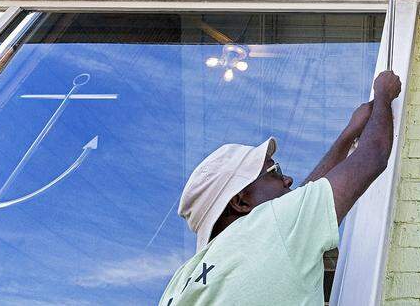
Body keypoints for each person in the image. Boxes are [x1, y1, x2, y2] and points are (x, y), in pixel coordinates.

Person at [159, 70, 402, 305]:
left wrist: (348, 135)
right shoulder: (270, 227)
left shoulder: (180, 282)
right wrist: (383, 93)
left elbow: (303, 200)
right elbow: (373, 155)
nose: (288, 181)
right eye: (274, 172)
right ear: (241, 201)